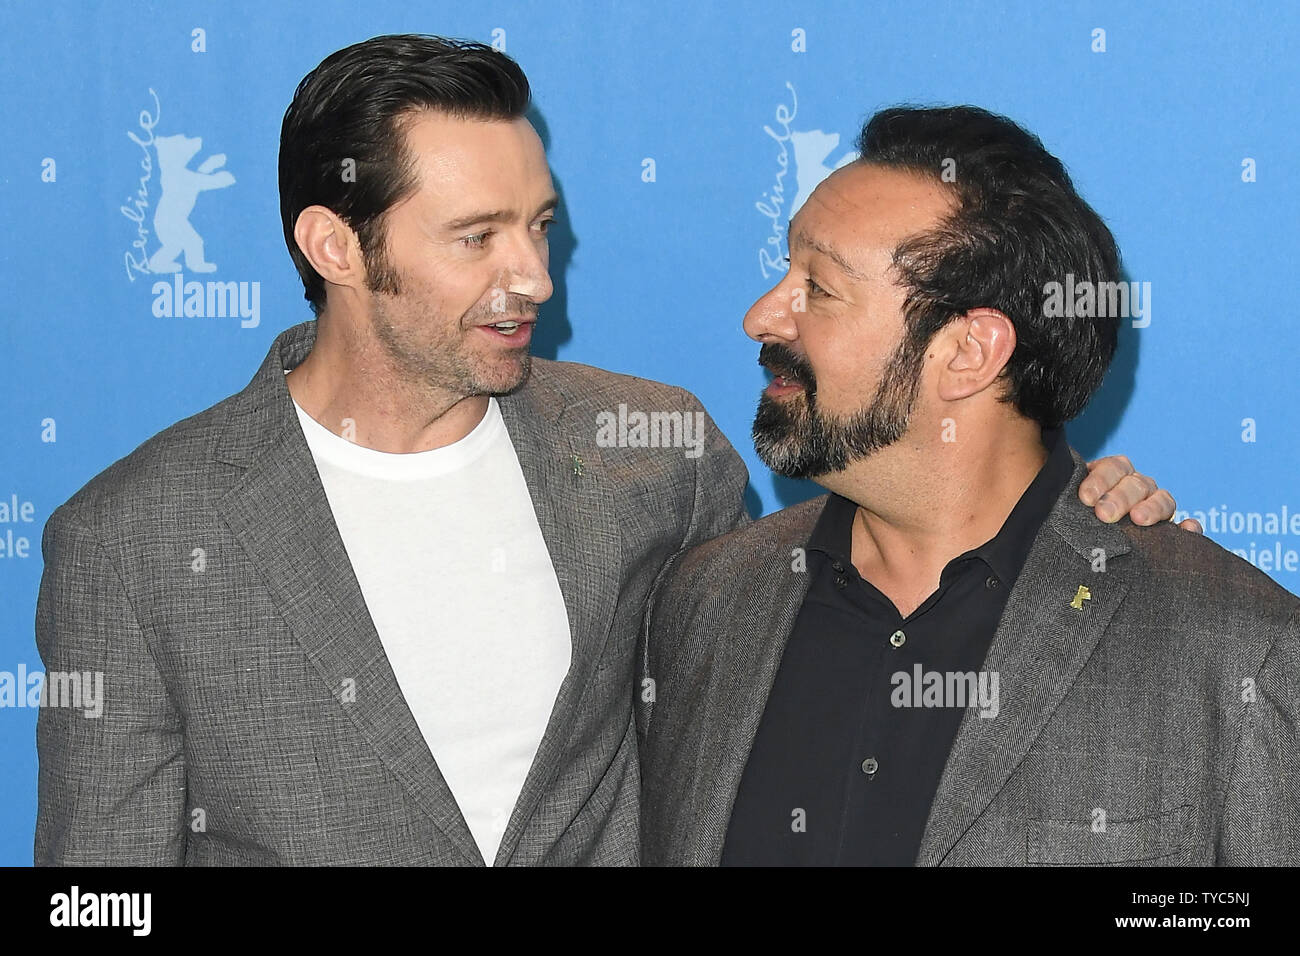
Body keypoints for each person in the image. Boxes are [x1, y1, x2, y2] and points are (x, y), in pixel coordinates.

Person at [35, 38, 1178, 866]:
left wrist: (1074, 509)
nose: (531, 275)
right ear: (335, 243)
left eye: (538, 223)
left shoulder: (655, 455)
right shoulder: (137, 536)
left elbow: (842, 609)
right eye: (475, 237)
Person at [637, 105, 1296, 867]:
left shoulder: (1237, 650)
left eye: (818, 288)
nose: (761, 318)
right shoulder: (703, 603)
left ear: (969, 354)